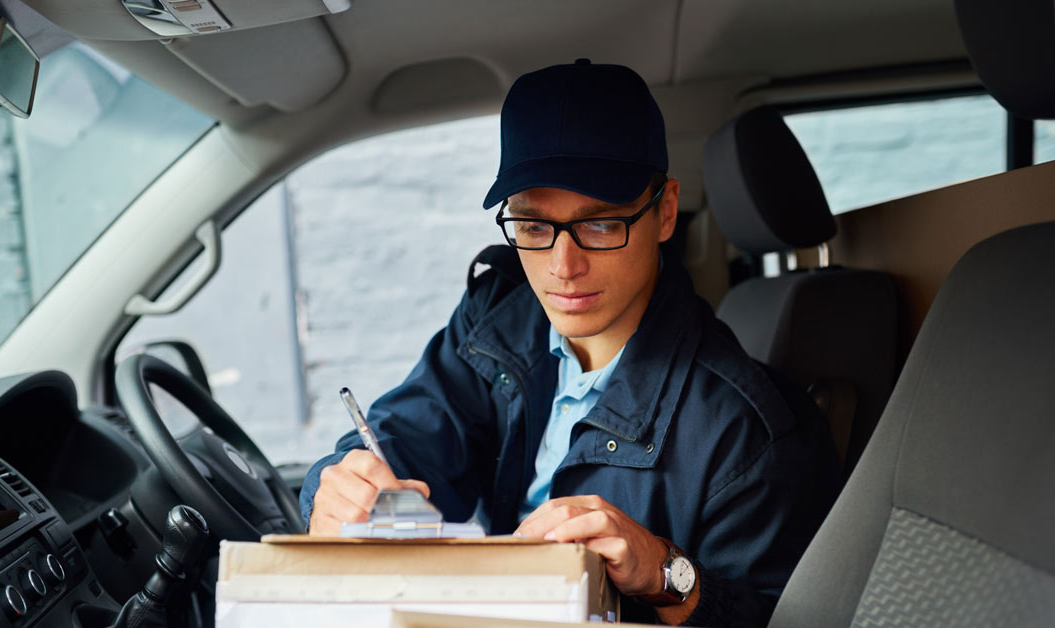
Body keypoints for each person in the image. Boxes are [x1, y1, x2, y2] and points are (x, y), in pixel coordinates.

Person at [299, 59, 840, 627]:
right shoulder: (498, 315)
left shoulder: (752, 433)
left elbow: (778, 617)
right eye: (534, 227)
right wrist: (341, 483)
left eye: (600, 224)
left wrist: (665, 572)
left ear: (665, 212)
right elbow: (408, 438)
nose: (563, 266)